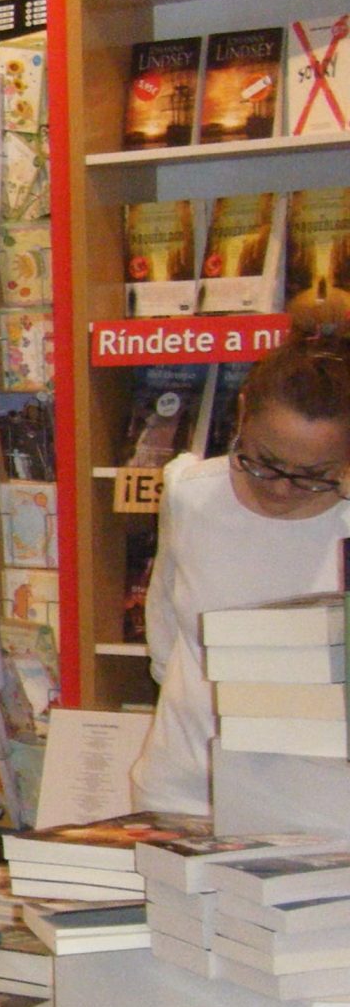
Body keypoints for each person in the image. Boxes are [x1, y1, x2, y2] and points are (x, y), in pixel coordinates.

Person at [133, 312, 350, 817]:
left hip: (323, 806)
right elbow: (164, 626)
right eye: (263, 461)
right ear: (243, 411)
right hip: (184, 790)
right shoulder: (191, 494)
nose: (281, 489)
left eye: (312, 474)